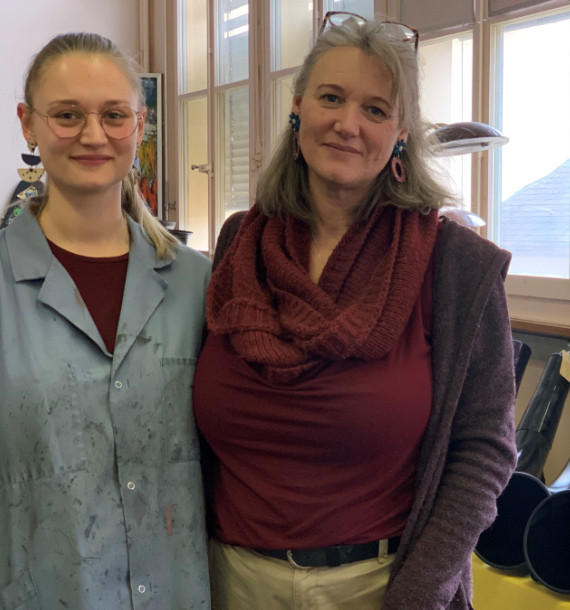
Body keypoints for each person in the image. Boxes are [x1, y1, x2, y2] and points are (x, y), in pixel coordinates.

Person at [194, 12, 517, 610]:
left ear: (401, 133)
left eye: (375, 109)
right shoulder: (240, 244)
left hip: (380, 587)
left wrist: (418, 596)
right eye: (331, 98)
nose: (348, 125)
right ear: (298, 110)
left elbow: (484, 452)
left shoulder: (457, 267)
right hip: (227, 581)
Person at [0, 32, 212, 608]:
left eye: (113, 115)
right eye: (67, 115)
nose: (93, 135)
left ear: (138, 125)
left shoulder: (201, 284)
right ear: (29, 123)